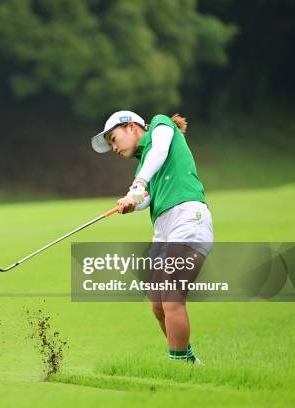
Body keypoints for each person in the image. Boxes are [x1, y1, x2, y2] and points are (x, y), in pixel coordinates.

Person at [91, 110, 214, 364]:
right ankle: (187, 359)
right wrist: (132, 203)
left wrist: (136, 185)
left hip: (188, 217)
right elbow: (148, 198)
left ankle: (177, 363)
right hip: (165, 227)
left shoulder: (160, 125)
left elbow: (158, 152)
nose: (114, 147)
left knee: (171, 294)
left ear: (132, 127)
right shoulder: (146, 162)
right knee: (158, 304)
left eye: (114, 139)